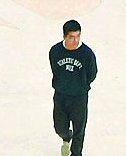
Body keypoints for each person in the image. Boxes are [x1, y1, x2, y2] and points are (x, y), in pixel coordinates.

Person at [50, 19, 98, 156]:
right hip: (61, 96)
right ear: (64, 36)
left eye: (78, 36)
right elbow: (55, 69)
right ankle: (66, 137)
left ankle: (76, 153)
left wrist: (81, 85)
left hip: (79, 97)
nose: (75, 40)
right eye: (71, 37)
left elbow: (92, 73)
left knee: (79, 130)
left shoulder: (87, 54)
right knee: (59, 127)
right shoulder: (55, 51)